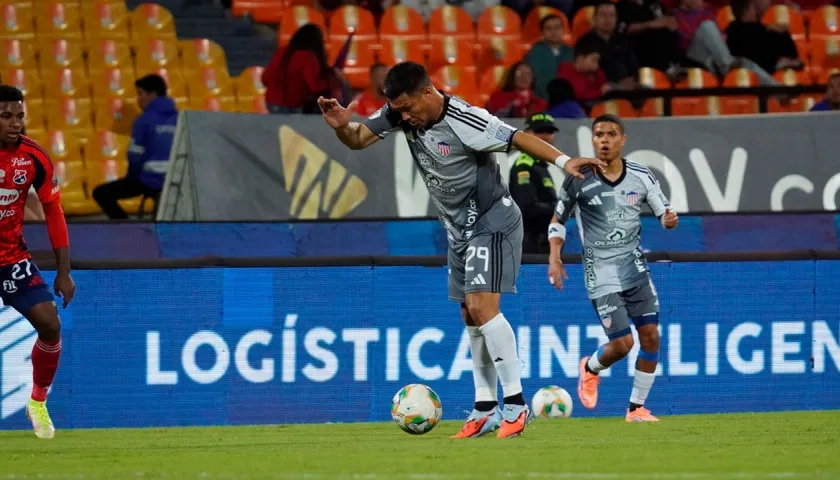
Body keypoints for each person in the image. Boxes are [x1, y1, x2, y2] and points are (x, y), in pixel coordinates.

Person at [317, 61, 605, 438]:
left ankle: (516, 406)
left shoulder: (466, 119)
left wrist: (566, 161)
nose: (404, 117)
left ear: (427, 92)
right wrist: (341, 127)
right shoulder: (400, 113)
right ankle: (485, 408)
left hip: (493, 220)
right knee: (471, 316)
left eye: (408, 108)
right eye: (398, 110)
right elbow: (357, 138)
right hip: (459, 232)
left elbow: (518, 138)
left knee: (483, 307)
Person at [546, 114, 679, 422]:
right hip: (601, 271)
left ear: (623, 140)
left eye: (610, 134)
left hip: (635, 269)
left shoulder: (641, 175)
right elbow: (557, 221)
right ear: (592, 140)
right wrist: (555, 256)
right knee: (623, 344)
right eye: (599, 135)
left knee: (651, 337)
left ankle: (636, 409)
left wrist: (669, 220)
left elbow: (665, 213)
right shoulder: (579, 178)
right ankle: (590, 368)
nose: (604, 140)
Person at [0, 85, 75, 438]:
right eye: (6, 116)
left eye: (19, 116)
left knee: (50, 325)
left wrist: (64, 271)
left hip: (13, 258)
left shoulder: (34, 158)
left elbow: (53, 210)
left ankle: (38, 402)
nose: (15, 123)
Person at [92, 74, 177, 219]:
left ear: (152, 94)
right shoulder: (180, 118)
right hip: (176, 180)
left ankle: (126, 227)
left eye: (140, 94)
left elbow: (134, 156)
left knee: (101, 193)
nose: (138, 99)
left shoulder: (143, 121)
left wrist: (131, 177)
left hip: (150, 180)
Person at [509, 113, 560, 254]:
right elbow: (527, 207)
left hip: (543, 241)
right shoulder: (524, 166)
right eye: (539, 131)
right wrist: (561, 208)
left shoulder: (539, 165)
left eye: (549, 131)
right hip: (532, 243)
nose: (545, 136)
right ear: (526, 134)